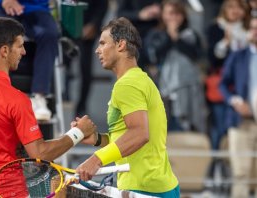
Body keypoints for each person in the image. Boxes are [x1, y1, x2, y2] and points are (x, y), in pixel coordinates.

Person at [0, 17, 96, 198]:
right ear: (5, 51)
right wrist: (77, 133)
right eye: (20, 45)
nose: (23, 52)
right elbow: (40, 153)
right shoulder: (17, 100)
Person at [74, 17, 179, 198]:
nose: (97, 50)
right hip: (156, 186)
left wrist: (96, 160)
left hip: (145, 189)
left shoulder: (127, 85)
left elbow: (139, 134)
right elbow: (130, 137)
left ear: (121, 45)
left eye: (103, 43)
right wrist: (98, 139)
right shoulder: (139, 79)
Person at [0, 0, 59, 121]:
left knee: (49, 34)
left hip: (35, 7)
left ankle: (39, 97)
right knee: (0, 34)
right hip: (0, 7)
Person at [145, 0, 206, 132]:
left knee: (188, 126)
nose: (174, 17)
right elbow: (152, 56)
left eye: (178, 14)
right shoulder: (155, 34)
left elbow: (197, 55)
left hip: (188, 87)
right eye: (170, 13)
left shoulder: (190, 34)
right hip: (162, 87)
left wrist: (177, 38)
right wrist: (168, 36)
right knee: (163, 126)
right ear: (163, 15)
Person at [219, 16, 257, 198]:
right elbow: (223, 84)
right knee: (240, 173)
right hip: (242, 121)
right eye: (253, 28)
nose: (255, 32)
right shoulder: (239, 56)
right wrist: (235, 101)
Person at [206, 0, 249, 150]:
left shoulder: (250, 30)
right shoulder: (216, 28)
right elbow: (212, 59)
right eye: (231, 7)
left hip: (243, 88)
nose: (235, 11)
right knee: (220, 128)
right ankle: (215, 167)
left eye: (239, 7)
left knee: (240, 130)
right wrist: (225, 41)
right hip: (222, 86)